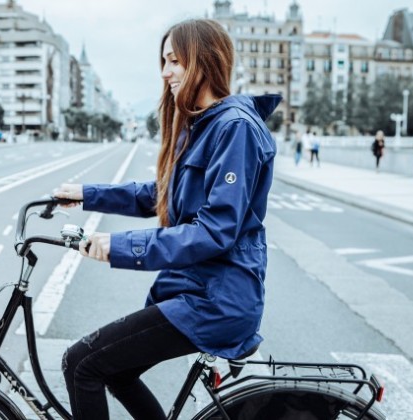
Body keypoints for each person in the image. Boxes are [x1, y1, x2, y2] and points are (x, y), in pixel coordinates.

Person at [53, 18, 279, 420]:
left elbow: (214, 231)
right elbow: (161, 195)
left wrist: (119, 246)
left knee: (80, 363)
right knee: (115, 371)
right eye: (164, 61)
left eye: (175, 61)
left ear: (204, 60)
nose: (165, 72)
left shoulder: (235, 129)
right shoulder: (202, 124)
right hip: (196, 286)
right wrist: (87, 195)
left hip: (216, 299)